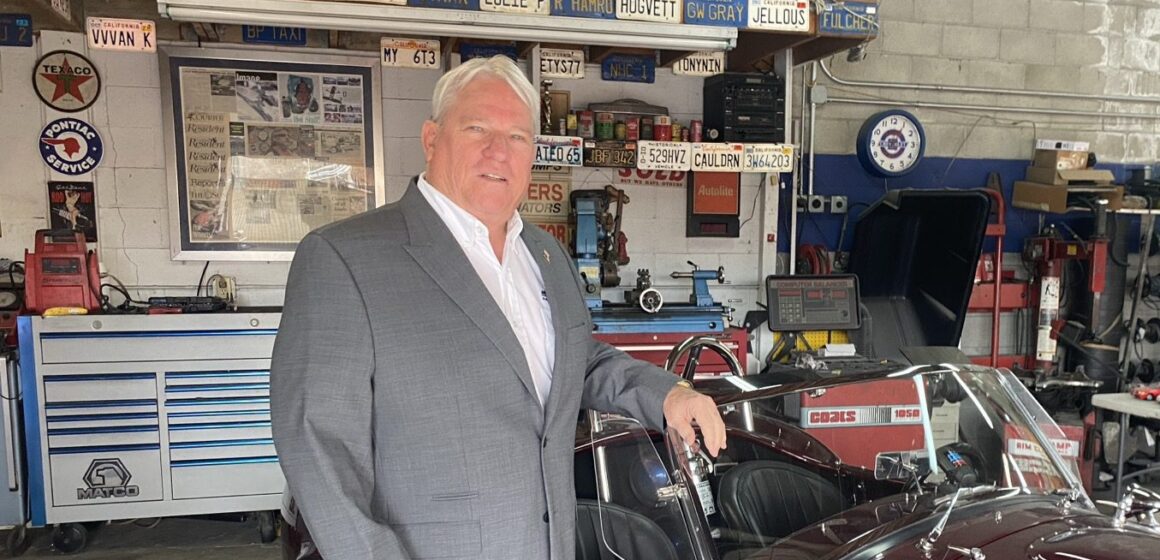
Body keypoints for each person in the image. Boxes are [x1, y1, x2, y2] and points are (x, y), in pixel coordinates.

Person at [270, 55, 725, 560]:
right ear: (431, 139)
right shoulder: (344, 259)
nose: (498, 151)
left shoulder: (546, 256)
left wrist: (666, 396)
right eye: (477, 128)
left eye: (518, 137)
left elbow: (576, 361)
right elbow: (318, 448)